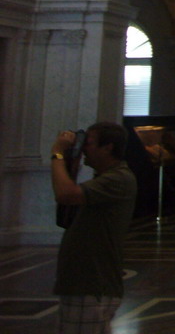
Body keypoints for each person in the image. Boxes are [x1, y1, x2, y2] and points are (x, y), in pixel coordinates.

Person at [50, 122, 138, 333]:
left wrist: (57, 154)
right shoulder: (106, 178)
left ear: (108, 147)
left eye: (88, 143)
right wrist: (72, 161)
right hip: (84, 281)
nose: (84, 148)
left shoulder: (119, 178)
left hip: (92, 282)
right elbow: (65, 211)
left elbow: (66, 194)